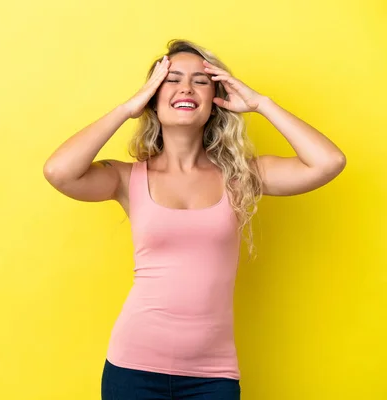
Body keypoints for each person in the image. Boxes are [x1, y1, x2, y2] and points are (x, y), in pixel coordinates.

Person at [42, 39, 346, 400]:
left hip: (212, 376)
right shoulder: (127, 178)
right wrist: (127, 108)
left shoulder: (239, 176)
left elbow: (329, 162)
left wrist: (261, 104)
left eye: (201, 80)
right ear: (153, 97)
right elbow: (59, 171)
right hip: (133, 369)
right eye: (171, 79)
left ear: (215, 100)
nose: (186, 87)